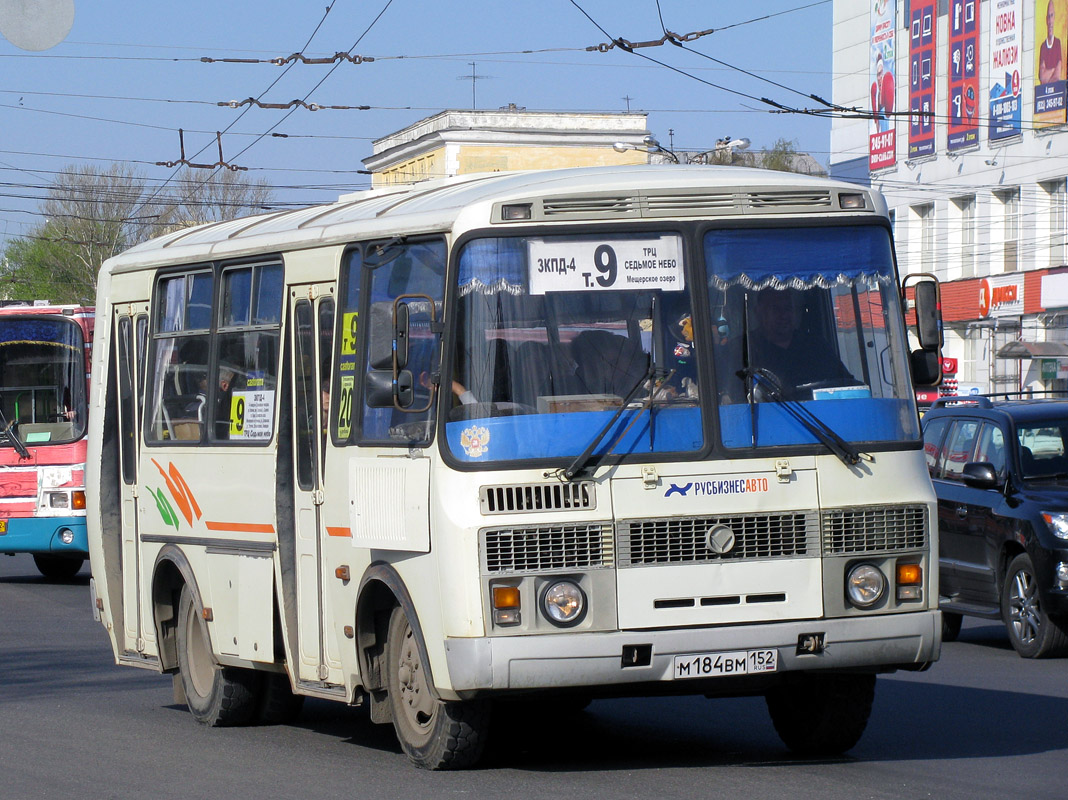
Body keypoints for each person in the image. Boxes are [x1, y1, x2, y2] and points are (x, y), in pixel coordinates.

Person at [740, 290, 856, 401]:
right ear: (759, 313)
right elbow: (730, 398)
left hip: (818, 418)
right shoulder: (744, 348)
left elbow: (847, 384)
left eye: (788, 308)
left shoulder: (816, 346)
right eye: (776, 309)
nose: (784, 315)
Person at [1040, 0, 1065, 85]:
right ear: (1046, 19)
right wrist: (1053, 69)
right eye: (1049, 17)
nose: (1050, 21)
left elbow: (1057, 76)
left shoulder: (1058, 43)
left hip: (1057, 92)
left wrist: (1048, 72)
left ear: (1054, 18)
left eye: (1052, 16)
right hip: (1044, 93)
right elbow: (1042, 78)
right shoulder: (1043, 46)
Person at [870, 52, 894, 133]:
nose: (880, 77)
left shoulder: (889, 96)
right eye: (878, 75)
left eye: (881, 74)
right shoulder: (875, 96)